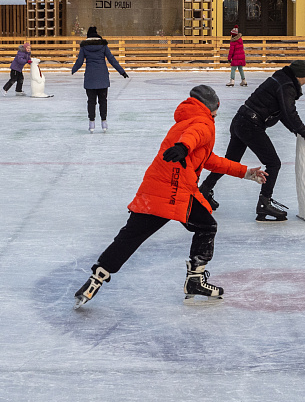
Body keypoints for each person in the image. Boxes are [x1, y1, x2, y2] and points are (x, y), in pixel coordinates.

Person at [74, 85, 267, 308]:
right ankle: (195, 280)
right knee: (206, 227)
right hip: (175, 190)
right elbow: (194, 137)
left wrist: (245, 172)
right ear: (211, 107)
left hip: (155, 187)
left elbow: (208, 158)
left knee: (131, 236)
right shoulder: (203, 123)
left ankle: (96, 279)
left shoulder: (186, 120)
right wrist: (184, 147)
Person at [198, 59, 305, 222]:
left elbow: (282, 113)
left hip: (240, 119)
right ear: (298, 76)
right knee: (273, 163)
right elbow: (289, 112)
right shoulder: (286, 86)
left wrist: (297, 131)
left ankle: (204, 189)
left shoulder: (281, 79)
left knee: (230, 161)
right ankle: (264, 203)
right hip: (250, 124)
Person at [71, 26, 128, 133]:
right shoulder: (103, 45)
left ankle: (91, 123)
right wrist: (122, 72)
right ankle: (104, 121)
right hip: (102, 77)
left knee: (91, 101)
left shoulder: (84, 46)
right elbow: (112, 59)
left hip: (90, 78)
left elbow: (79, 61)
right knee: (103, 101)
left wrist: (73, 69)